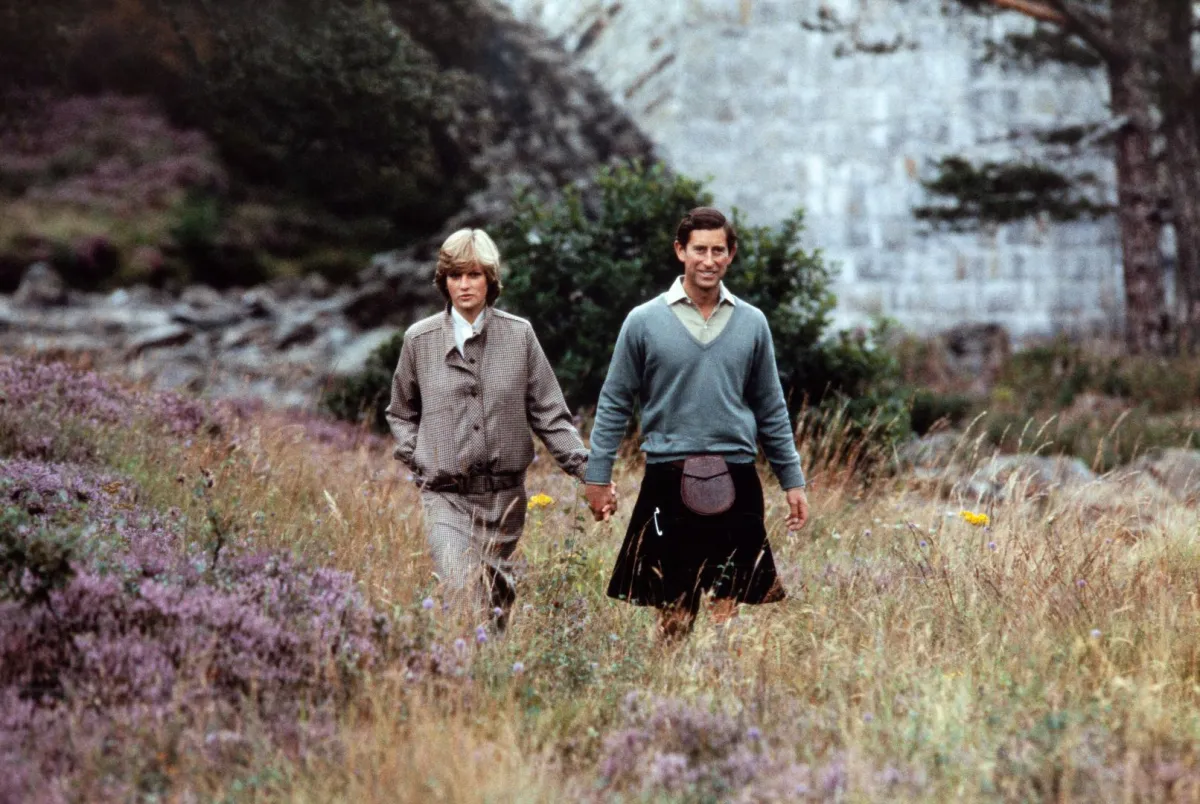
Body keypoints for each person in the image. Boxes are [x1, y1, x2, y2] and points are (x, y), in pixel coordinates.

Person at [584, 207, 809, 641]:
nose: (708, 260)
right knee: (673, 606)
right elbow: (614, 402)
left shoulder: (752, 323)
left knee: (727, 601)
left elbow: (771, 408)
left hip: (737, 474)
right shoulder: (643, 321)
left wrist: (792, 481)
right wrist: (597, 476)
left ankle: (718, 679)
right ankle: (672, 685)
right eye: (699, 249)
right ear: (680, 251)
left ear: (731, 255)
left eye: (718, 250)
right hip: (668, 474)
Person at [385, 228, 605, 625]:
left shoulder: (519, 336)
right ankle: (464, 675)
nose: (464, 285)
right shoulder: (419, 340)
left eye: (474, 275)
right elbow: (400, 412)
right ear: (443, 281)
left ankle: (495, 657)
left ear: (491, 279)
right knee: (460, 587)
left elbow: (550, 414)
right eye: (455, 276)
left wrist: (589, 471)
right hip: (445, 497)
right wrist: (417, 456)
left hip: (505, 500)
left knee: (492, 599)